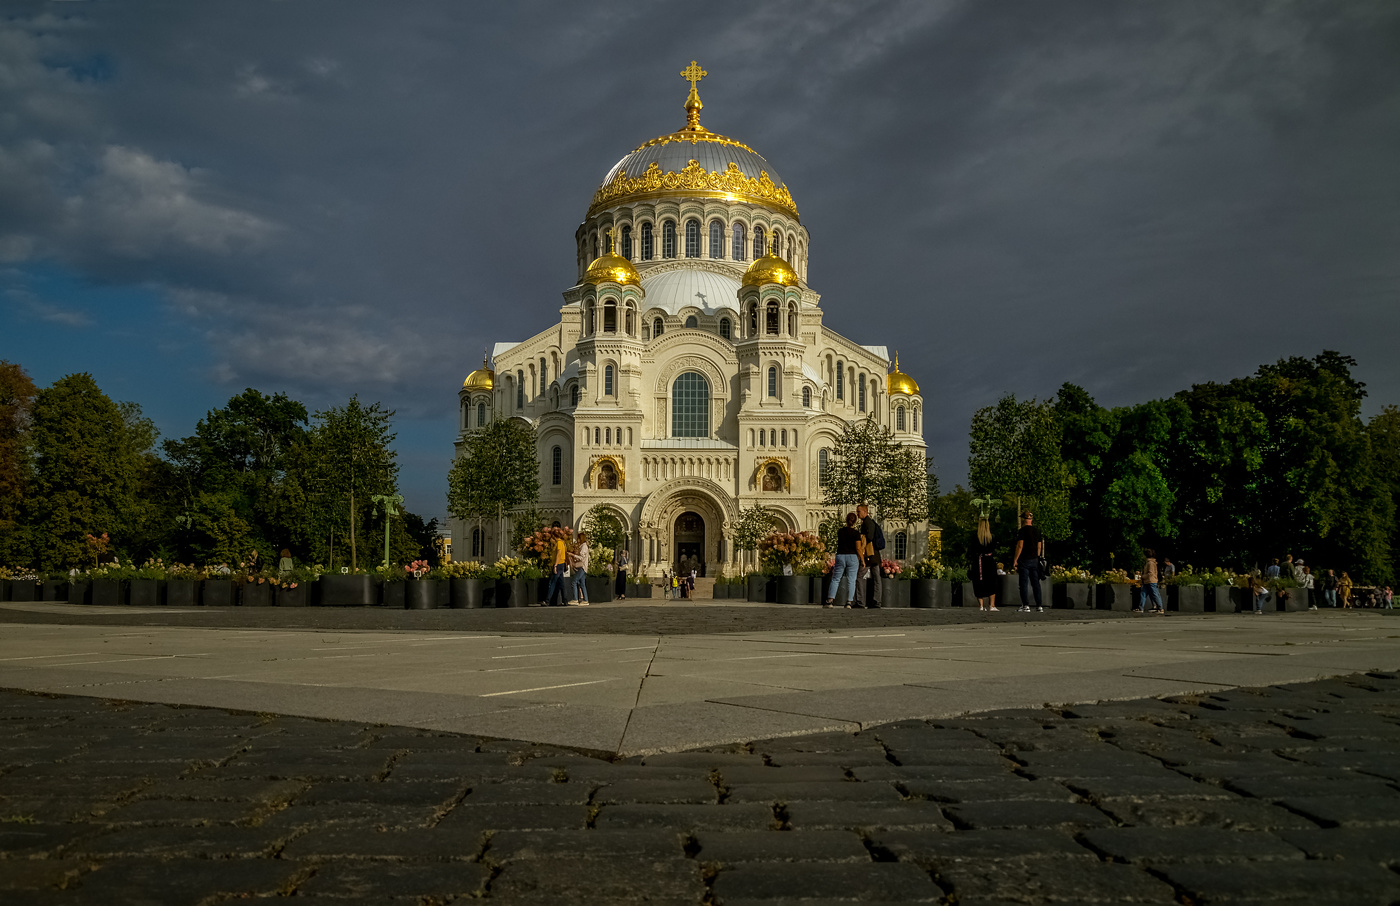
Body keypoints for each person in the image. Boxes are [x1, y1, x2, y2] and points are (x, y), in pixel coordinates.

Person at [826, 513, 863, 608]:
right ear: (855, 521)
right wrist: (862, 559)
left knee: (836, 579)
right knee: (851, 580)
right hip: (852, 557)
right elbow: (858, 548)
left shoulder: (840, 531)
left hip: (841, 555)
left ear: (846, 520)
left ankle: (830, 600)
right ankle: (849, 602)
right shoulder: (856, 533)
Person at [1012, 511, 1045, 613]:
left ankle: (1025, 605)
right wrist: (1037, 556)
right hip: (1034, 559)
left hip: (1024, 559)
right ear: (1031, 519)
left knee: (1023, 583)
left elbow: (1020, 545)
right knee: (1036, 583)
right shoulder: (1037, 531)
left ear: (1023, 519)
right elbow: (1039, 546)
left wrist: (1015, 559)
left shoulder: (1022, 531)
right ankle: (1039, 605)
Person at [853, 503, 883, 609]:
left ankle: (861, 601)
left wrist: (862, 549)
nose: (857, 514)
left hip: (869, 554)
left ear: (865, 512)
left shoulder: (867, 523)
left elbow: (868, 537)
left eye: (859, 512)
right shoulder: (869, 522)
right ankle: (876, 601)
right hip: (874, 555)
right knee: (876, 577)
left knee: (860, 576)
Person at [969, 516, 999, 612]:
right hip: (989, 561)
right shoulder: (992, 537)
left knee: (979, 582)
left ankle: (981, 606)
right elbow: (994, 548)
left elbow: (971, 550)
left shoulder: (975, 537)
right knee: (991, 582)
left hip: (978, 561)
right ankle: (992, 605)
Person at [541, 531, 569, 606]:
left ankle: (547, 600)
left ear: (554, 537)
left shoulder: (559, 543)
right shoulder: (562, 542)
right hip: (561, 564)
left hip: (559, 564)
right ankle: (565, 600)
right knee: (561, 584)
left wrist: (555, 565)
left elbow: (559, 554)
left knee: (552, 583)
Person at [1140, 548, 1165, 614]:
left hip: (1150, 580)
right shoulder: (1151, 562)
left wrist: (1143, 576)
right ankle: (1141, 607)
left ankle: (1160, 608)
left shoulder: (1150, 563)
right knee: (1143, 593)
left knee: (1155, 594)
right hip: (1148, 581)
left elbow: (1150, 573)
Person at [570, 532, 590, 606]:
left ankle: (575, 599)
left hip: (582, 567)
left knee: (574, 581)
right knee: (582, 584)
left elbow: (581, 557)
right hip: (583, 567)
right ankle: (585, 599)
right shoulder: (582, 546)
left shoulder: (583, 547)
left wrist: (573, 555)